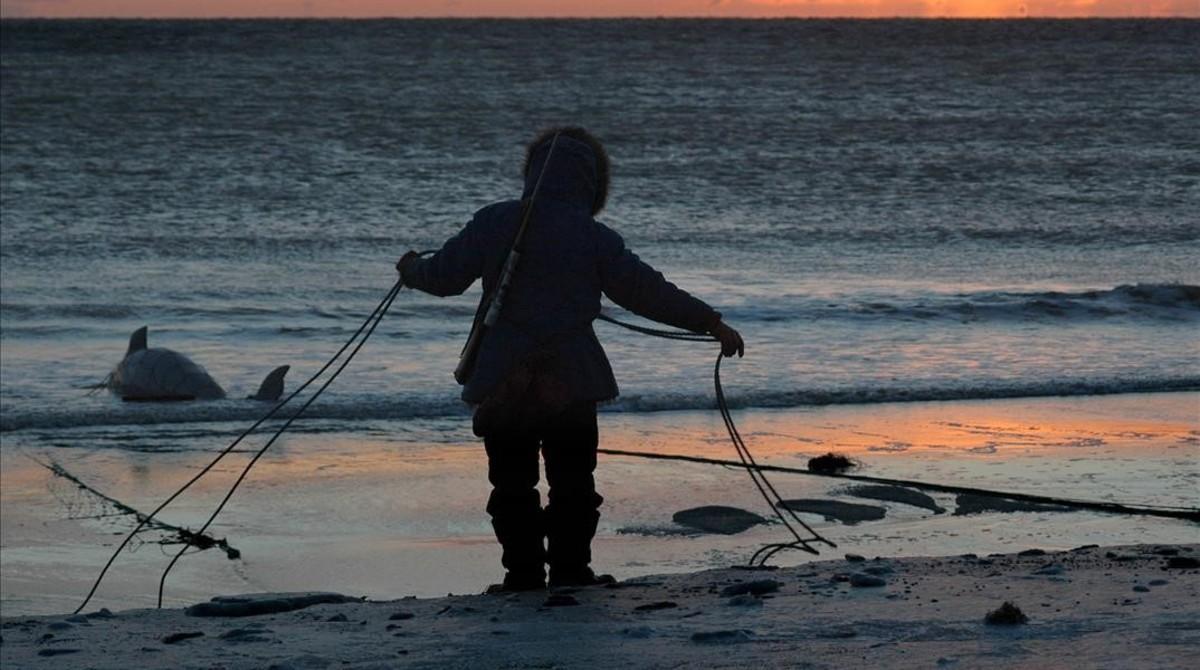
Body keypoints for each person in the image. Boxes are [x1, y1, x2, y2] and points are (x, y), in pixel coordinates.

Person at [396, 127, 743, 592]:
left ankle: (521, 576)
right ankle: (571, 572)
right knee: (574, 484)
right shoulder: (594, 237)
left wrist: (410, 268)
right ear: (592, 184)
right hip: (573, 380)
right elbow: (647, 292)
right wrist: (710, 323)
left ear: (533, 174)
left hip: (504, 380)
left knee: (512, 486)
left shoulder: (494, 221)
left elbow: (442, 277)